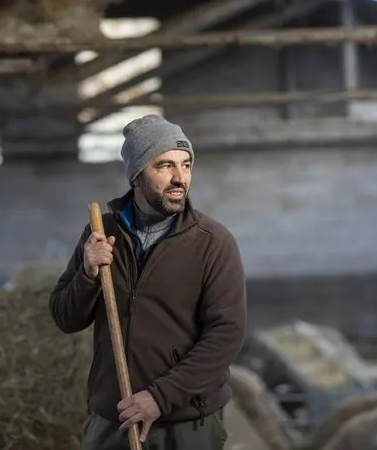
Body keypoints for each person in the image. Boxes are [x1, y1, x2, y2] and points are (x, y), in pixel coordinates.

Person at [49, 114, 247, 450]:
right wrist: (88, 274)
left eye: (186, 165)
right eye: (165, 166)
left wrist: (159, 397)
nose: (179, 178)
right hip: (114, 420)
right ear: (137, 176)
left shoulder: (212, 242)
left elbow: (225, 336)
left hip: (185, 425)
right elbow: (65, 317)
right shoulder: (102, 232)